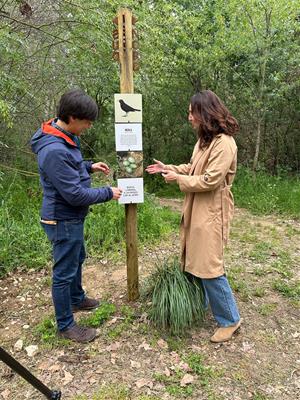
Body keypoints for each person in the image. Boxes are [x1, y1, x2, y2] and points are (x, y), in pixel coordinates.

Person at [146, 90, 241, 343]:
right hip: (198, 204)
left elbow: (211, 180)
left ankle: (230, 319)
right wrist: (170, 169)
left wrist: (179, 179)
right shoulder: (204, 140)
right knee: (196, 258)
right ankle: (205, 305)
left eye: (192, 112)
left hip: (212, 207)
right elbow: (193, 169)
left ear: (205, 113)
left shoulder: (224, 143)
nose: (189, 117)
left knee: (209, 264)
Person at [31, 89, 122, 343]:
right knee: (64, 272)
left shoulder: (63, 136)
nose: (89, 126)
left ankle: (77, 299)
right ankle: (66, 325)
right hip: (62, 218)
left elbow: (69, 170)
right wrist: (107, 192)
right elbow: (74, 194)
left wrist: (88, 166)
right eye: (87, 122)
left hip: (70, 217)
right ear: (71, 117)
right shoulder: (54, 150)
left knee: (77, 257)